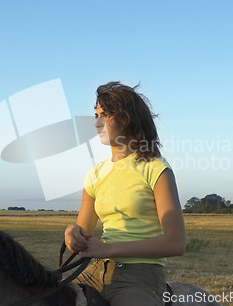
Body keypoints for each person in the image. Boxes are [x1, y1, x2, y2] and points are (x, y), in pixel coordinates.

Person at [64, 82, 186, 306]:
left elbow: (176, 243)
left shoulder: (155, 168)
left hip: (140, 276)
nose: (97, 123)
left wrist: (107, 249)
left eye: (105, 115)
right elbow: (82, 235)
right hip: (95, 272)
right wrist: (72, 233)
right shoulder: (95, 174)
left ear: (128, 119)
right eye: (96, 114)